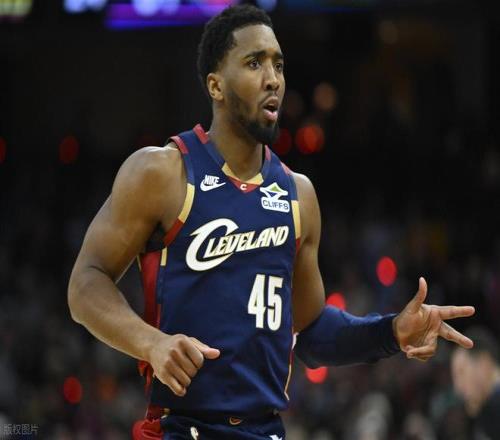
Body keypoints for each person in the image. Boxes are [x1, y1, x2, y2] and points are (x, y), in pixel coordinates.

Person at [68, 5, 475, 439]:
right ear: (215, 85)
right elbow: (85, 284)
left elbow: (311, 332)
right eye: (254, 63)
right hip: (182, 426)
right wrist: (151, 342)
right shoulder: (163, 172)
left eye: (278, 65)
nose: (273, 79)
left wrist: (391, 331)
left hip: (266, 429)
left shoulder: (299, 194)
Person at [451, 327, 500, 440]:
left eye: (461, 373)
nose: (458, 387)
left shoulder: (494, 407)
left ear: (483, 364)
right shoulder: (488, 411)